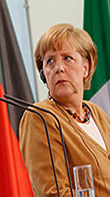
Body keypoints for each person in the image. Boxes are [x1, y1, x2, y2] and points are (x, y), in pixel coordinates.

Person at [19, 23, 110, 196]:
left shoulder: (98, 113)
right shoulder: (40, 117)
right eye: (50, 61)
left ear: (86, 67)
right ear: (43, 74)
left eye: (67, 58)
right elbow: (53, 193)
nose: (59, 68)